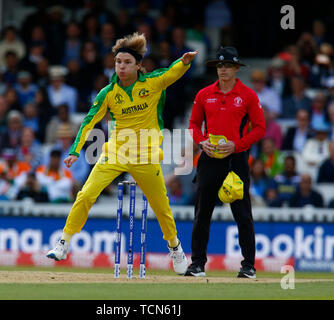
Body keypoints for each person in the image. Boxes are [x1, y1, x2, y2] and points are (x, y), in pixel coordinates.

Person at [46, 32, 198, 275]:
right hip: (115, 153)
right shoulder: (108, 93)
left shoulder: (151, 83)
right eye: (118, 62)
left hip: (146, 155)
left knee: (161, 207)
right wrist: (75, 149)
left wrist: (185, 62)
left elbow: (171, 72)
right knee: (86, 193)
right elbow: (88, 121)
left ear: (139, 65)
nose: (122, 67)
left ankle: (175, 248)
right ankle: (63, 243)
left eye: (127, 62)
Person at [187, 46, 266, 278]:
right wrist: (202, 142)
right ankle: (197, 264)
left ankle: (249, 265)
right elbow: (193, 124)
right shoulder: (204, 94)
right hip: (209, 159)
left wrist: (237, 145)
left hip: (236, 160)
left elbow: (260, 128)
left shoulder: (248, 95)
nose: (223, 70)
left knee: (242, 213)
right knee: (202, 212)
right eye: (220, 66)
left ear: (236, 68)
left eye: (228, 65)